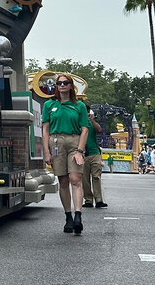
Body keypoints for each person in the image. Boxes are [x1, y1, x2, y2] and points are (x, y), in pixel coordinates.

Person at [41, 74, 90, 235]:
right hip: (56, 142)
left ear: (71, 86)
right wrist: (46, 152)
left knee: (75, 179)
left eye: (65, 83)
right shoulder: (49, 105)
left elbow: (85, 129)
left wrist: (80, 151)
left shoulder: (79, 106)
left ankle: (78, 215)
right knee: (63, 180)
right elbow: (45, 129)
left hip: (74, 141)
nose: (62, 85)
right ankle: (68, 216)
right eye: (59, 83)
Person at [81, 109, 106, 209]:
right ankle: (88, 200)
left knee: (96, 177)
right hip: (83, 154)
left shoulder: (91, 123)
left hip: (95, 152)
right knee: (85, 179)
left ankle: (99, 200)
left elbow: (99, 130)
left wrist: (91, 120)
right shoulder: (78, 122)